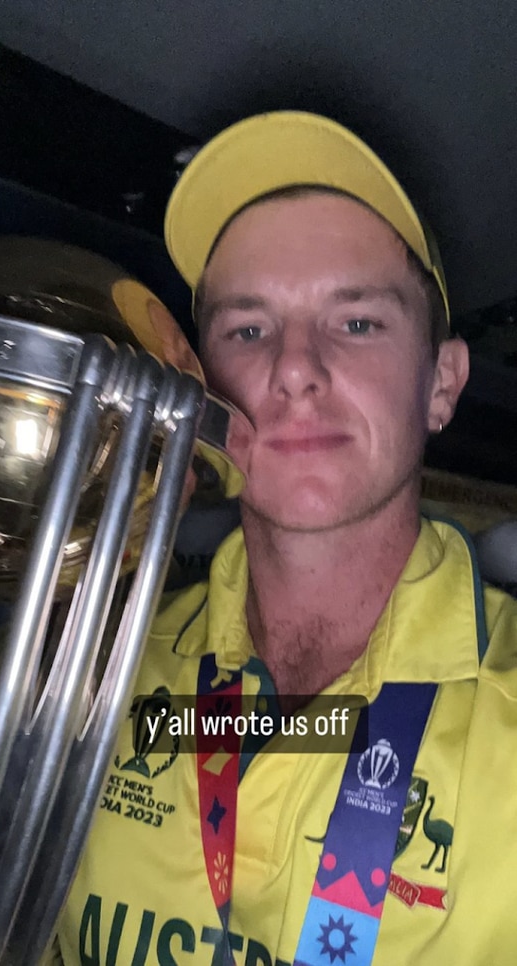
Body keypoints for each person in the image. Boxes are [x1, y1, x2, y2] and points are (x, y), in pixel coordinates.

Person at [56, 111, 517, 966]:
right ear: (201, 385)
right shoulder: (81, 671)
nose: (295, 367)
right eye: (247, 329)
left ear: (441, 384)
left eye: (356, 323)